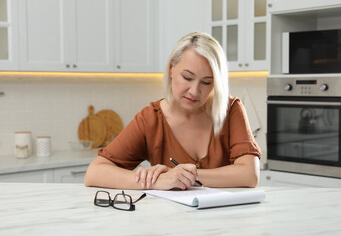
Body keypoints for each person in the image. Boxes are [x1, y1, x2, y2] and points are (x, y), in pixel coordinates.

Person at [84, 32, 261, 190]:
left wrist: (185, 175)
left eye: (206, 82)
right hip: (171, 223)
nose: (194, 91)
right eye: (187, 78)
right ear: (171, 69)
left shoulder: (230, 109)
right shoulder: (150, 119)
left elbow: (250, 175)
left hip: (225, 221)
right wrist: (158, 181)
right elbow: (94, 173)